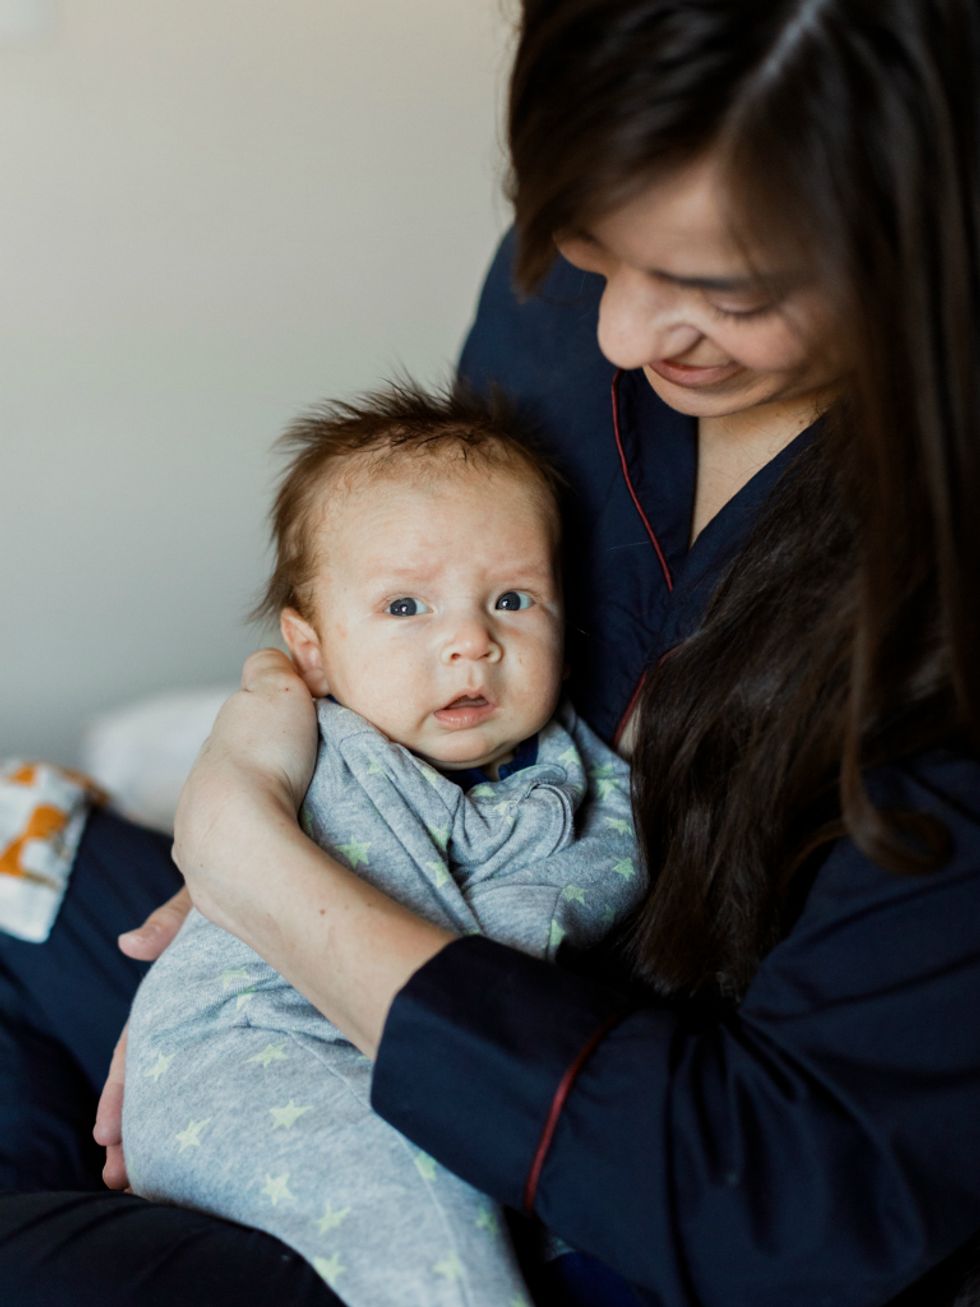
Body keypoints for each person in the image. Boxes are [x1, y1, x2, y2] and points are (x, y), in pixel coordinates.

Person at [0, 2, 978, 1304]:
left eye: (720, 289)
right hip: (324, 955)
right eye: (585, 244)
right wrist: (265, 735)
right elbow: (402, 577)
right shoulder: (579, 305)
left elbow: (787, 1190)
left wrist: (263, 877)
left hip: (607, 1180)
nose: (622, 335)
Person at [122, 383, 642, 1306]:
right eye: (407, 608)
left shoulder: (579, 769)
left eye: (513, 599)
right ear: (313, 650)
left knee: (577, 1197)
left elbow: (613, 868)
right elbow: (474, 961)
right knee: (413, 1192)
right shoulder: (332, 754)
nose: (471, 643)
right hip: (247, 1054)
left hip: (423, 1054)